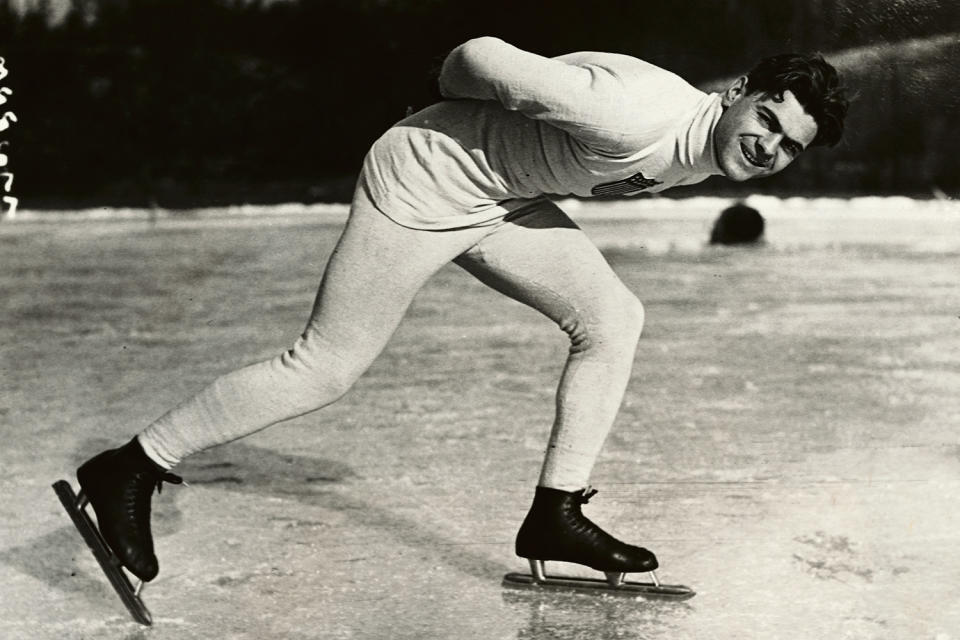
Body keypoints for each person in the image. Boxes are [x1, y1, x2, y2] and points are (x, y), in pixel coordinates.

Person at [73, 37, 848, 588]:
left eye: (787, 146)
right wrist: (441, 92)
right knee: (326, 365)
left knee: (614, 319)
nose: (768, 147)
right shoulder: (633, 116)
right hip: (422, 179)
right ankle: (131, 465)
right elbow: (480, 57)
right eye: (767, 121)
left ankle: (555, 514)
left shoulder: (700, 144)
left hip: (496, 199)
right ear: (741, 93)